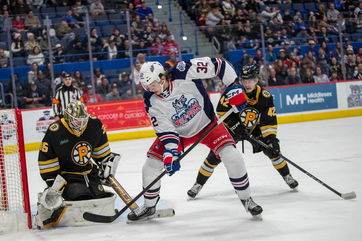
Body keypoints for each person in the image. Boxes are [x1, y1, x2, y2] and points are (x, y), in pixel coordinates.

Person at [127, 58, 263, 222]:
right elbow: (165, 128)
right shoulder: (151, 98)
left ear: (162, 77)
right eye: (147, 87)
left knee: (232, 156)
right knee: (150, 166)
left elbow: (219, 65)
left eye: (152, 85)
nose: (150, 89)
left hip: (208, 125)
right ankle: (149, 206)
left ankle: (247, 199)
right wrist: (171, 152)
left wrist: (234, 87)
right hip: (179, 134)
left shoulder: (184, 70)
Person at [187, 63, 299, 200]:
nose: (247, 83)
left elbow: (268, 121)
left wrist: (271, 139)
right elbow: (221, 111)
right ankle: (198, 184)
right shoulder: (233, 92)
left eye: (251, 80)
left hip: (254, 128)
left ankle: (287, 176)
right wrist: (236, 128)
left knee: (273, 150)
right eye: (244, 80)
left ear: (257, 80)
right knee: (214, 156)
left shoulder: (265, 96)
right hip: (232, 129)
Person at [35, 100, 121, 228]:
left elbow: (101, 152)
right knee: (80, 197)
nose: (81, 124)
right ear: (68, 118)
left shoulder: (94, 124)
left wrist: (106, 166)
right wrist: (53, 184)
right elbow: (46, 160)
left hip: (90, 173)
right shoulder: (56, 131)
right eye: (77, 120)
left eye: (83, 120)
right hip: (69, 176)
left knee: (101, 196)